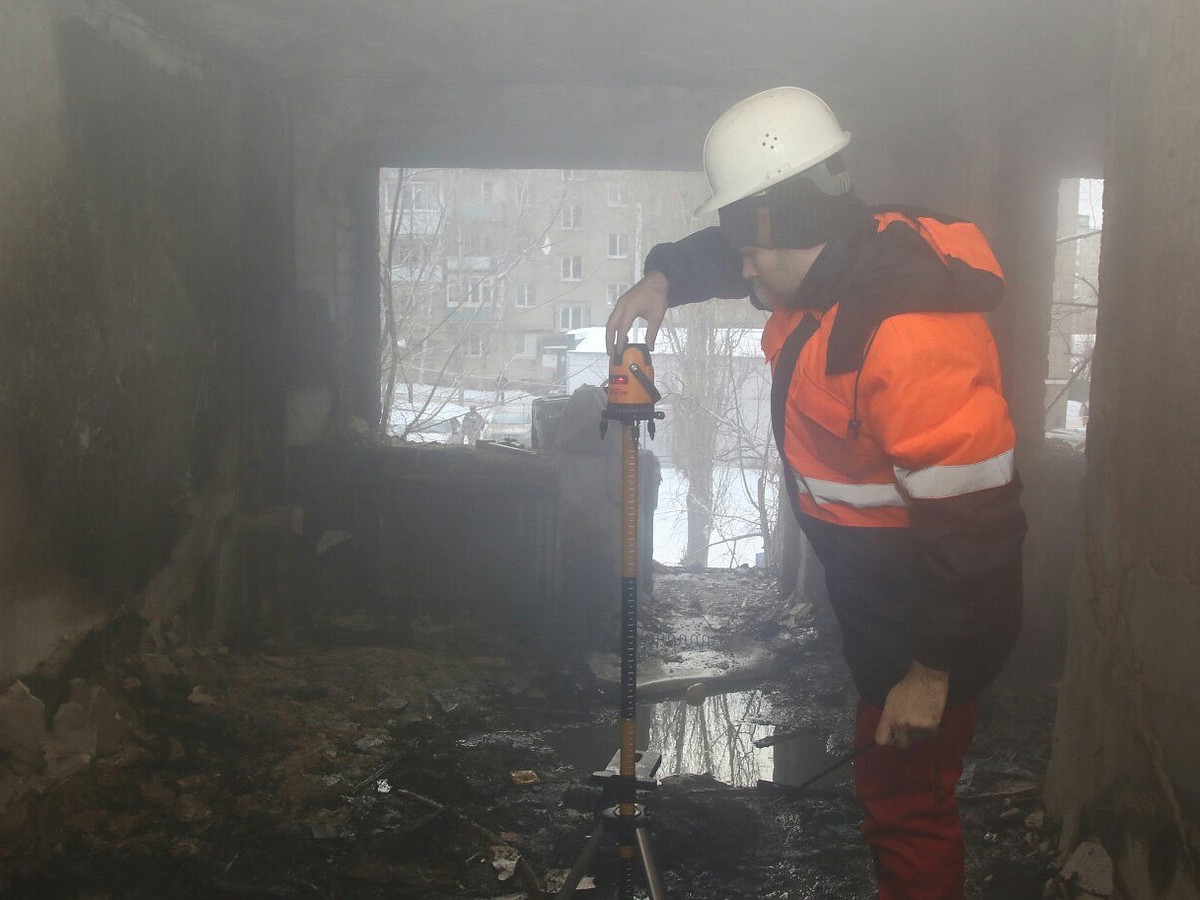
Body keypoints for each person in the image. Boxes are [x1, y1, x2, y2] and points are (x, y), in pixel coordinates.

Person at [607, 87, 1026, 899]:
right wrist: (664, 277)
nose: (741, 266)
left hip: (929, 627)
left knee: (907, 810)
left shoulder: (903, 335)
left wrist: (930, 674)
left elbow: (977, 530)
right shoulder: (842, 263)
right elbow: (739, 260)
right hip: (893, 611)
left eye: (745, 243)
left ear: (778, 224)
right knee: (896, 800)